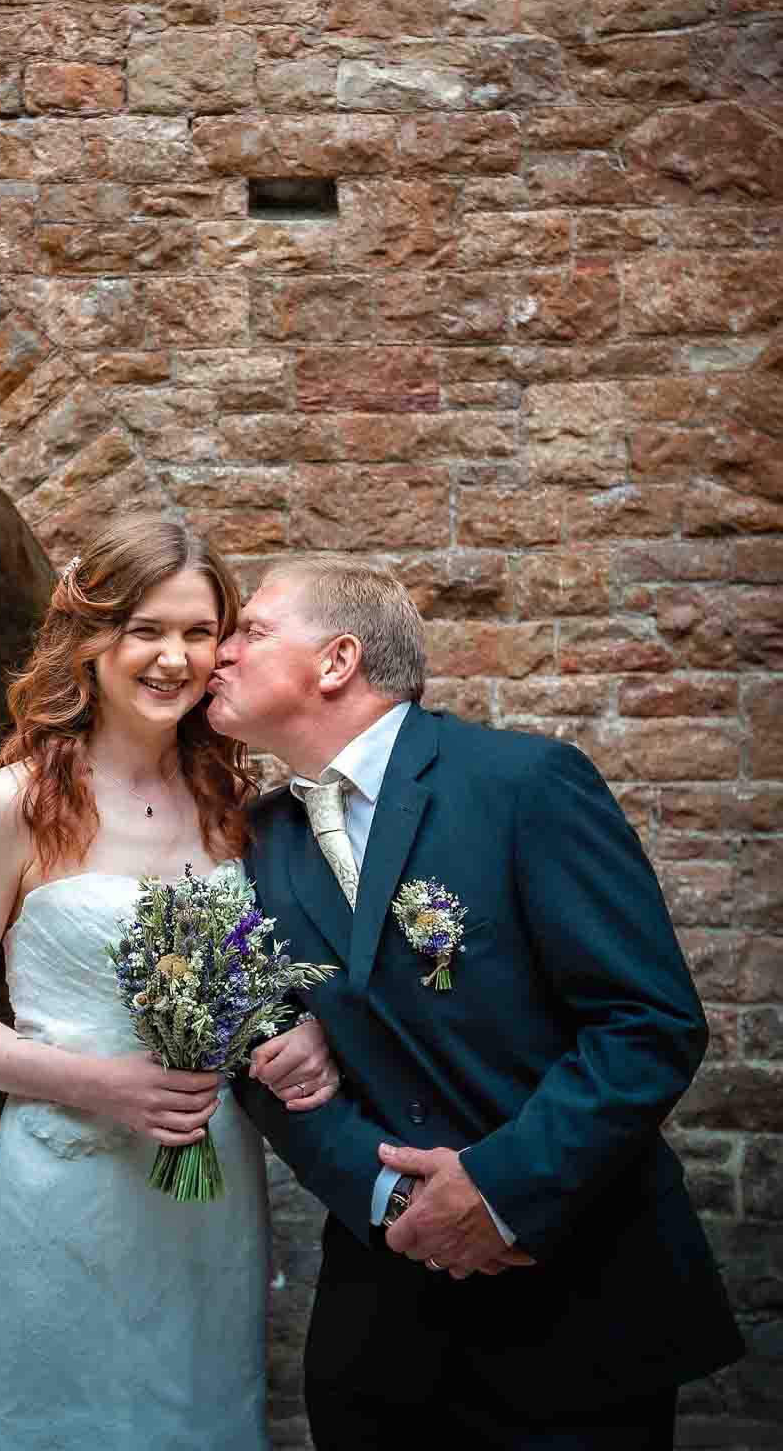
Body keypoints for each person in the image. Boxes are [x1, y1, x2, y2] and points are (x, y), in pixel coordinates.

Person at [207, 555, 744, 1451]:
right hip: (380, 1334)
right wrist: (385, 1196)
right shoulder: (258, 843)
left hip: (575, 1308)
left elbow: (646, 1024)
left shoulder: (524, 786)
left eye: (251, 631)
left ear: (337, 661)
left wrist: (496, 1193)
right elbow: (257, 1056)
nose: (219, 652)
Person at [0, 517, 340, 1451]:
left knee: (200, 1409)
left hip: (208, 1182)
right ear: (93, 636)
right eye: (147, 628)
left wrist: (295, 1035)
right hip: (70, 1176)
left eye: (198, 633)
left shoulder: (232, 799)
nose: (173, 658)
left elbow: (261, 982)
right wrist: (98, 1083)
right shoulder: (18, 803)